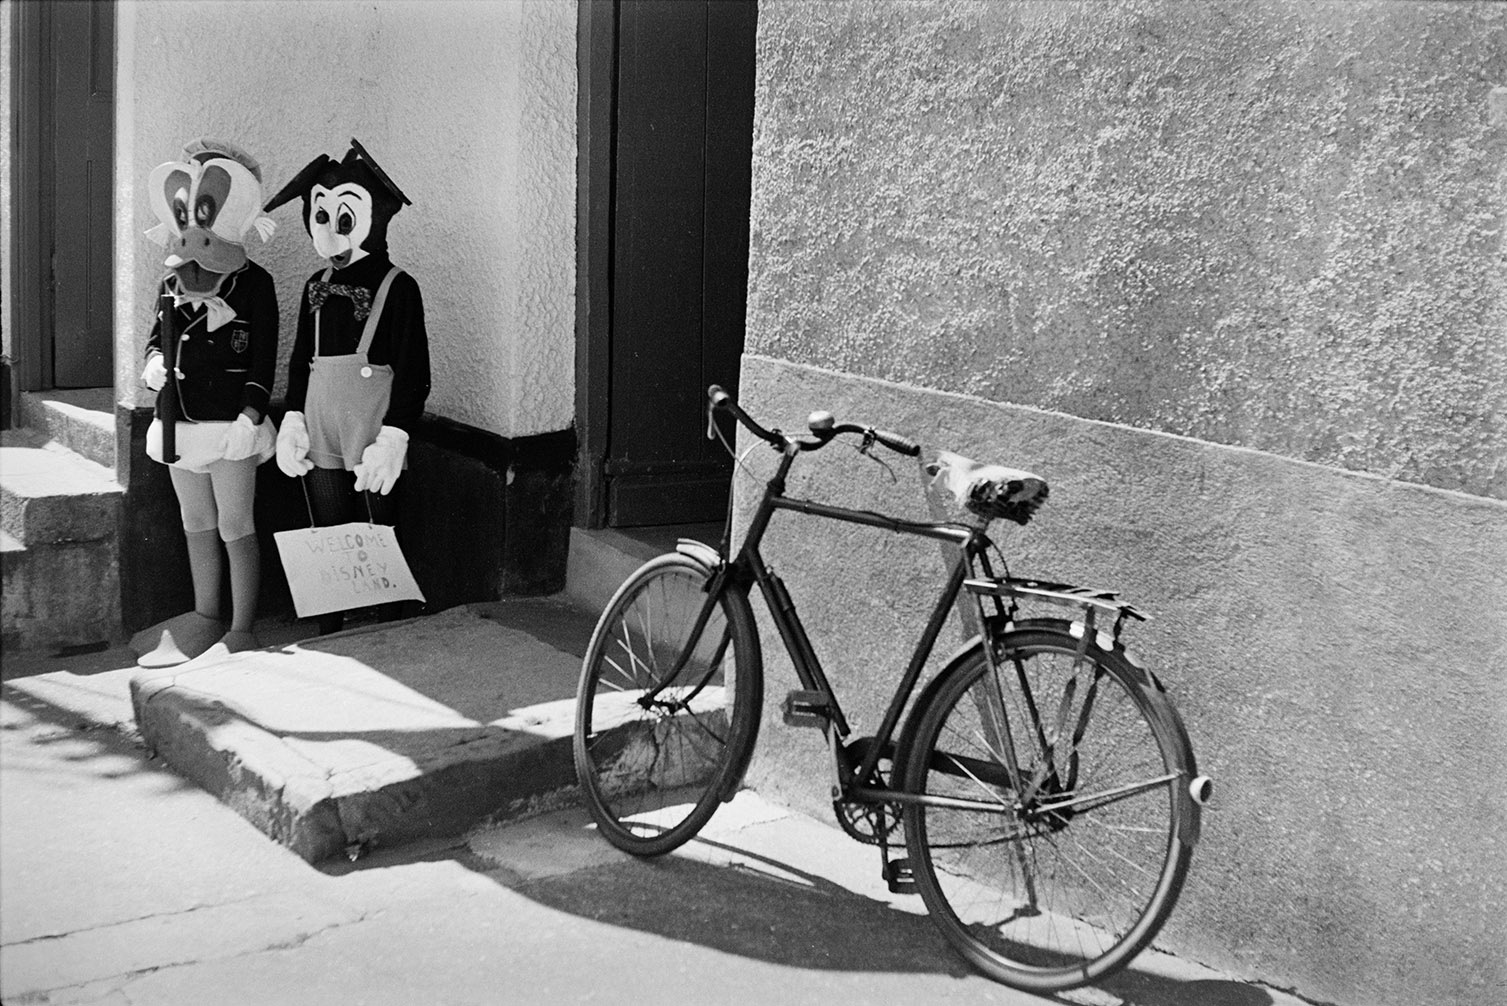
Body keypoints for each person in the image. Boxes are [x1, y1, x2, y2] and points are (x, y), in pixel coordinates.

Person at [264, 139, 430, 634]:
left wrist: (395, 435)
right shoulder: (314, 284)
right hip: (320, 426)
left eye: (345, 217)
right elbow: (300, 360)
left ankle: (387, 626)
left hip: (371, 428)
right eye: (321, 216)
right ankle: (332, 631)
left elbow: (414, 370)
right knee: (329, 534)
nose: (330, 231)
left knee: (378, 533)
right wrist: (292, 419)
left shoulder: (400, 286)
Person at [131, 138, 279, 668]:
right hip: (179, 419)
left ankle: (241, 628)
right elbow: (156, 334)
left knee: (236, 524)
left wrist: (251, 414)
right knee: (195, 520)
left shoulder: (255, 284)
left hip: (229, 424)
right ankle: (204, 616)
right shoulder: (172, 277)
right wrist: (152, 364)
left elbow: (264, 359)